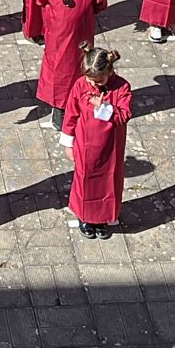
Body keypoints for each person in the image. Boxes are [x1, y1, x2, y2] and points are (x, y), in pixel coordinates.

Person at [61, 47, 131, 240]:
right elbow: (71, 114)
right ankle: (85, 217)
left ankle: (102, 218)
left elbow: (124, 115)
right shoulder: (80, 85)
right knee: (86, 181)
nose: (93, 84)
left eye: (98, 80)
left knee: (109, 182)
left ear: (109, 71)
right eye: (90, 79)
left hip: (111, 147)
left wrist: (105, 108)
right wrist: (68, 142)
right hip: (86, 144)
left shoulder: (122, 87)